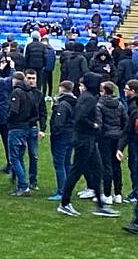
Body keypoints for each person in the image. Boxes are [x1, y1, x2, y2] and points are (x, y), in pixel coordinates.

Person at [58, 72, 120, 218]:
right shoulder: (89, 99)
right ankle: (65, 203)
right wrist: (94, 125)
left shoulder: (87, 97)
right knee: (76, 171)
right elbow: (80, 117)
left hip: (88, 139)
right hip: (84, 139)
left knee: (97, 170)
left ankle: (100, 205)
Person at [99, 80, 127, 204]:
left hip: (105, 138)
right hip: (118, 138)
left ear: (104, 91)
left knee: (107, 165)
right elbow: (125, 122)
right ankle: (118, 193)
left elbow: (99, 124)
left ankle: (106, 194)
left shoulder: (99, 105)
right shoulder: (120, 104)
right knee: (117, 166)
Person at [7, 71, 35, 196]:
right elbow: (35, 111)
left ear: (14, 80)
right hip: (26, 128)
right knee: (20, 157)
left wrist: (7, 119)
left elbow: (14, 110)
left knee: (14, 158)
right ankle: (22, 185)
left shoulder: (16, 92)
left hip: (16, 128)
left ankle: (23, 186)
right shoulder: (30, 93)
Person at [48, 81, 77, 202]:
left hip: (62, 137)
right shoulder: (75, 102)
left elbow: (59, 123)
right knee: (67, 163)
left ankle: (62, 191)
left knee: (59, 164)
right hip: (72, 135)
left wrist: (55, 133)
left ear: (62, 88)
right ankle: (67, 188)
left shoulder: (63, 105)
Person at [118, 80, 138, 231]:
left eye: (126, 89)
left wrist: (120, 147)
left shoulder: (134, 108)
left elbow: (129, 129)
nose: (124, 91)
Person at [25, 69, 48, 191]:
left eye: (33, 78)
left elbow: (43, 112)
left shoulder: (39, 94)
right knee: (17, 154)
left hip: (33, 127)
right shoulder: (19, 92)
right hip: (20, 126)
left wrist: (42, 129)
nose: (31, 81)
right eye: (29, 78)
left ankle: (33, 180)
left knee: (33, 155)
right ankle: (17, 175)